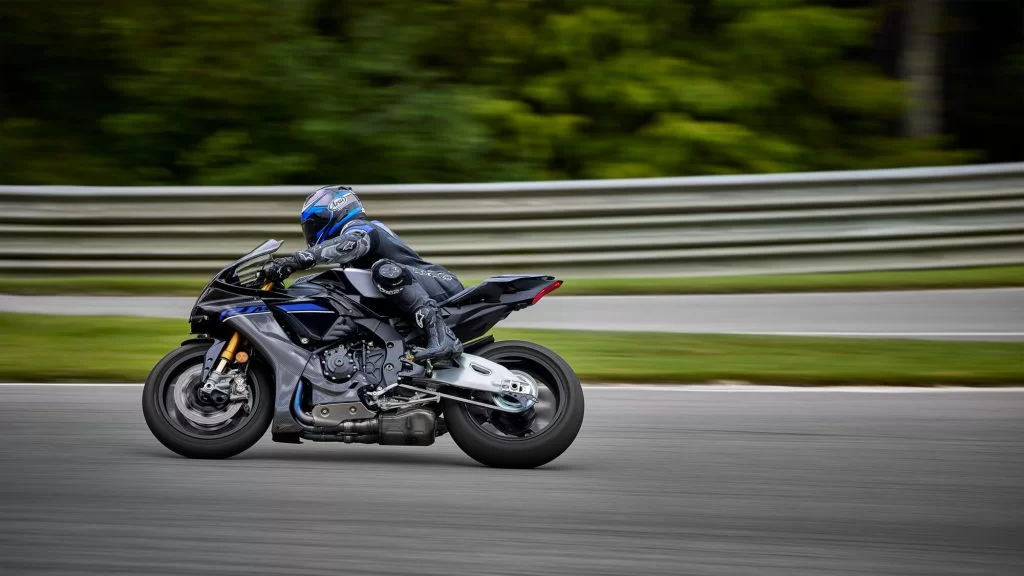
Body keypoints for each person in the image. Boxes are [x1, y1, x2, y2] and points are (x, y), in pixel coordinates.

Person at [261, 185, 463, 363]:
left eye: (313, 225)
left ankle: (444, 337)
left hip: (441, 283)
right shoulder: (352, 256)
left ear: (332, 213)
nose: (311, 233)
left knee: (384, 269)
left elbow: (349, 244)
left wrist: (296, 260)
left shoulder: (362, 229)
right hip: (410, 291)